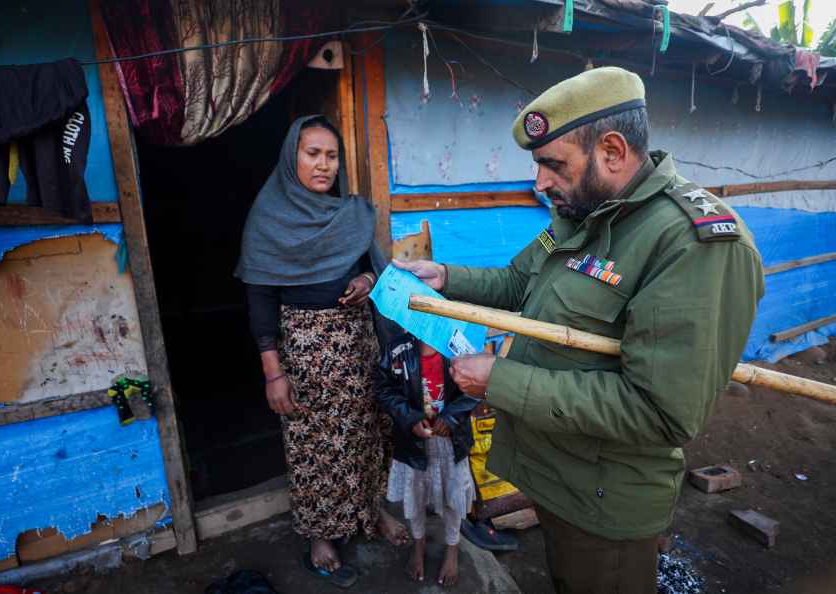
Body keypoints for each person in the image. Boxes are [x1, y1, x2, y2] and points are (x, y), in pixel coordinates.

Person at [395, 67, 764, 594]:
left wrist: (500, 381)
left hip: (604, 499)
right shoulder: (584, 215)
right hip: (557, 475)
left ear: (612, 151)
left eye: (552, 164)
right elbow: (521, 280)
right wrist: (447, 278)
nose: (540, 182)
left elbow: (659, 411)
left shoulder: (691, 245)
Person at [235, 115, 408, 589]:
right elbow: (260, 296)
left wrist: (366, 280)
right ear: (293, 157)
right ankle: (321, 536)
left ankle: (373, 513)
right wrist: (274, 372)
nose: (324, 164)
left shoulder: (349, 213)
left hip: (357, 342)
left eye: (332, 156)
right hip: (305, 348)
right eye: (313, 153)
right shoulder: (268, 217)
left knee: (370, 432)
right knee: (312, 445)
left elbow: (376, 269)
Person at [376, 332, 478, 587]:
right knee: (416, 497)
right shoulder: (397, 349)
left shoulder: (458, 347)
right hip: (414, 442)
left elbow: (477, 387)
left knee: (454, 499)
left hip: (450, 442)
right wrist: (410, 419)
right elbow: (384, 388)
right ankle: (418, 545)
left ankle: (452, 548)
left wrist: (452, 417)